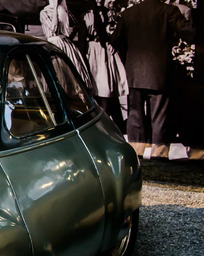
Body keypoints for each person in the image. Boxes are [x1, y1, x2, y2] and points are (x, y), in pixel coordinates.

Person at [110, 0, 194, 159]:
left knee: (135, 113)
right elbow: (190, 34)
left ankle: (137, 150)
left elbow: (115, 41)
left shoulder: (129, 13)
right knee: (160, 114)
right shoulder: (169, 11)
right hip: (159, 71)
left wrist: (128, 58)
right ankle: (159, 153)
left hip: (134, 71)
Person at [83, 0, 128, 132]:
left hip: (103, 52)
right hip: (97, 52)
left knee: (106, 86)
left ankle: (110, 121)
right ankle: (106, 121)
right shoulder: (89, 16)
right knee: (102, 86)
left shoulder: (110, 15)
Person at [40, 0, 95, 92]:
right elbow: (54, 28)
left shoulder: (63, 10)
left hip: (65, 43)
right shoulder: (44, 12)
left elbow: (67, 31)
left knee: (74, 76)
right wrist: (55, 8)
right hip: (54, 43)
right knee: (58, 76)